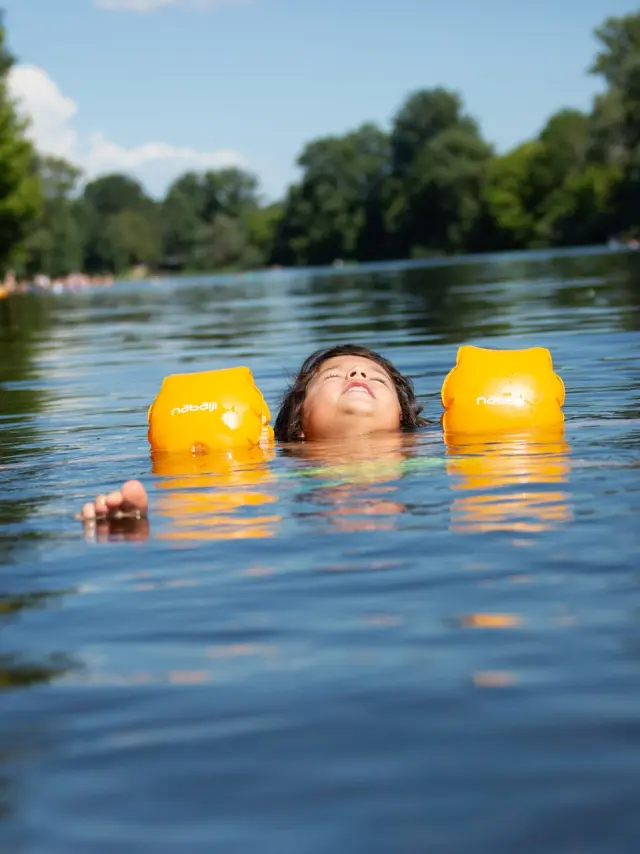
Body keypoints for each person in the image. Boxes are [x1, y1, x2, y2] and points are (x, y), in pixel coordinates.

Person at [78, 344, 428, 525]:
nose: (357, 374)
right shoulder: (276, 463)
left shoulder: (428, 448)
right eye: (333, 375)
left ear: (401, 416)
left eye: (376, 378)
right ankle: (133, 522)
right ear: (298, 423)